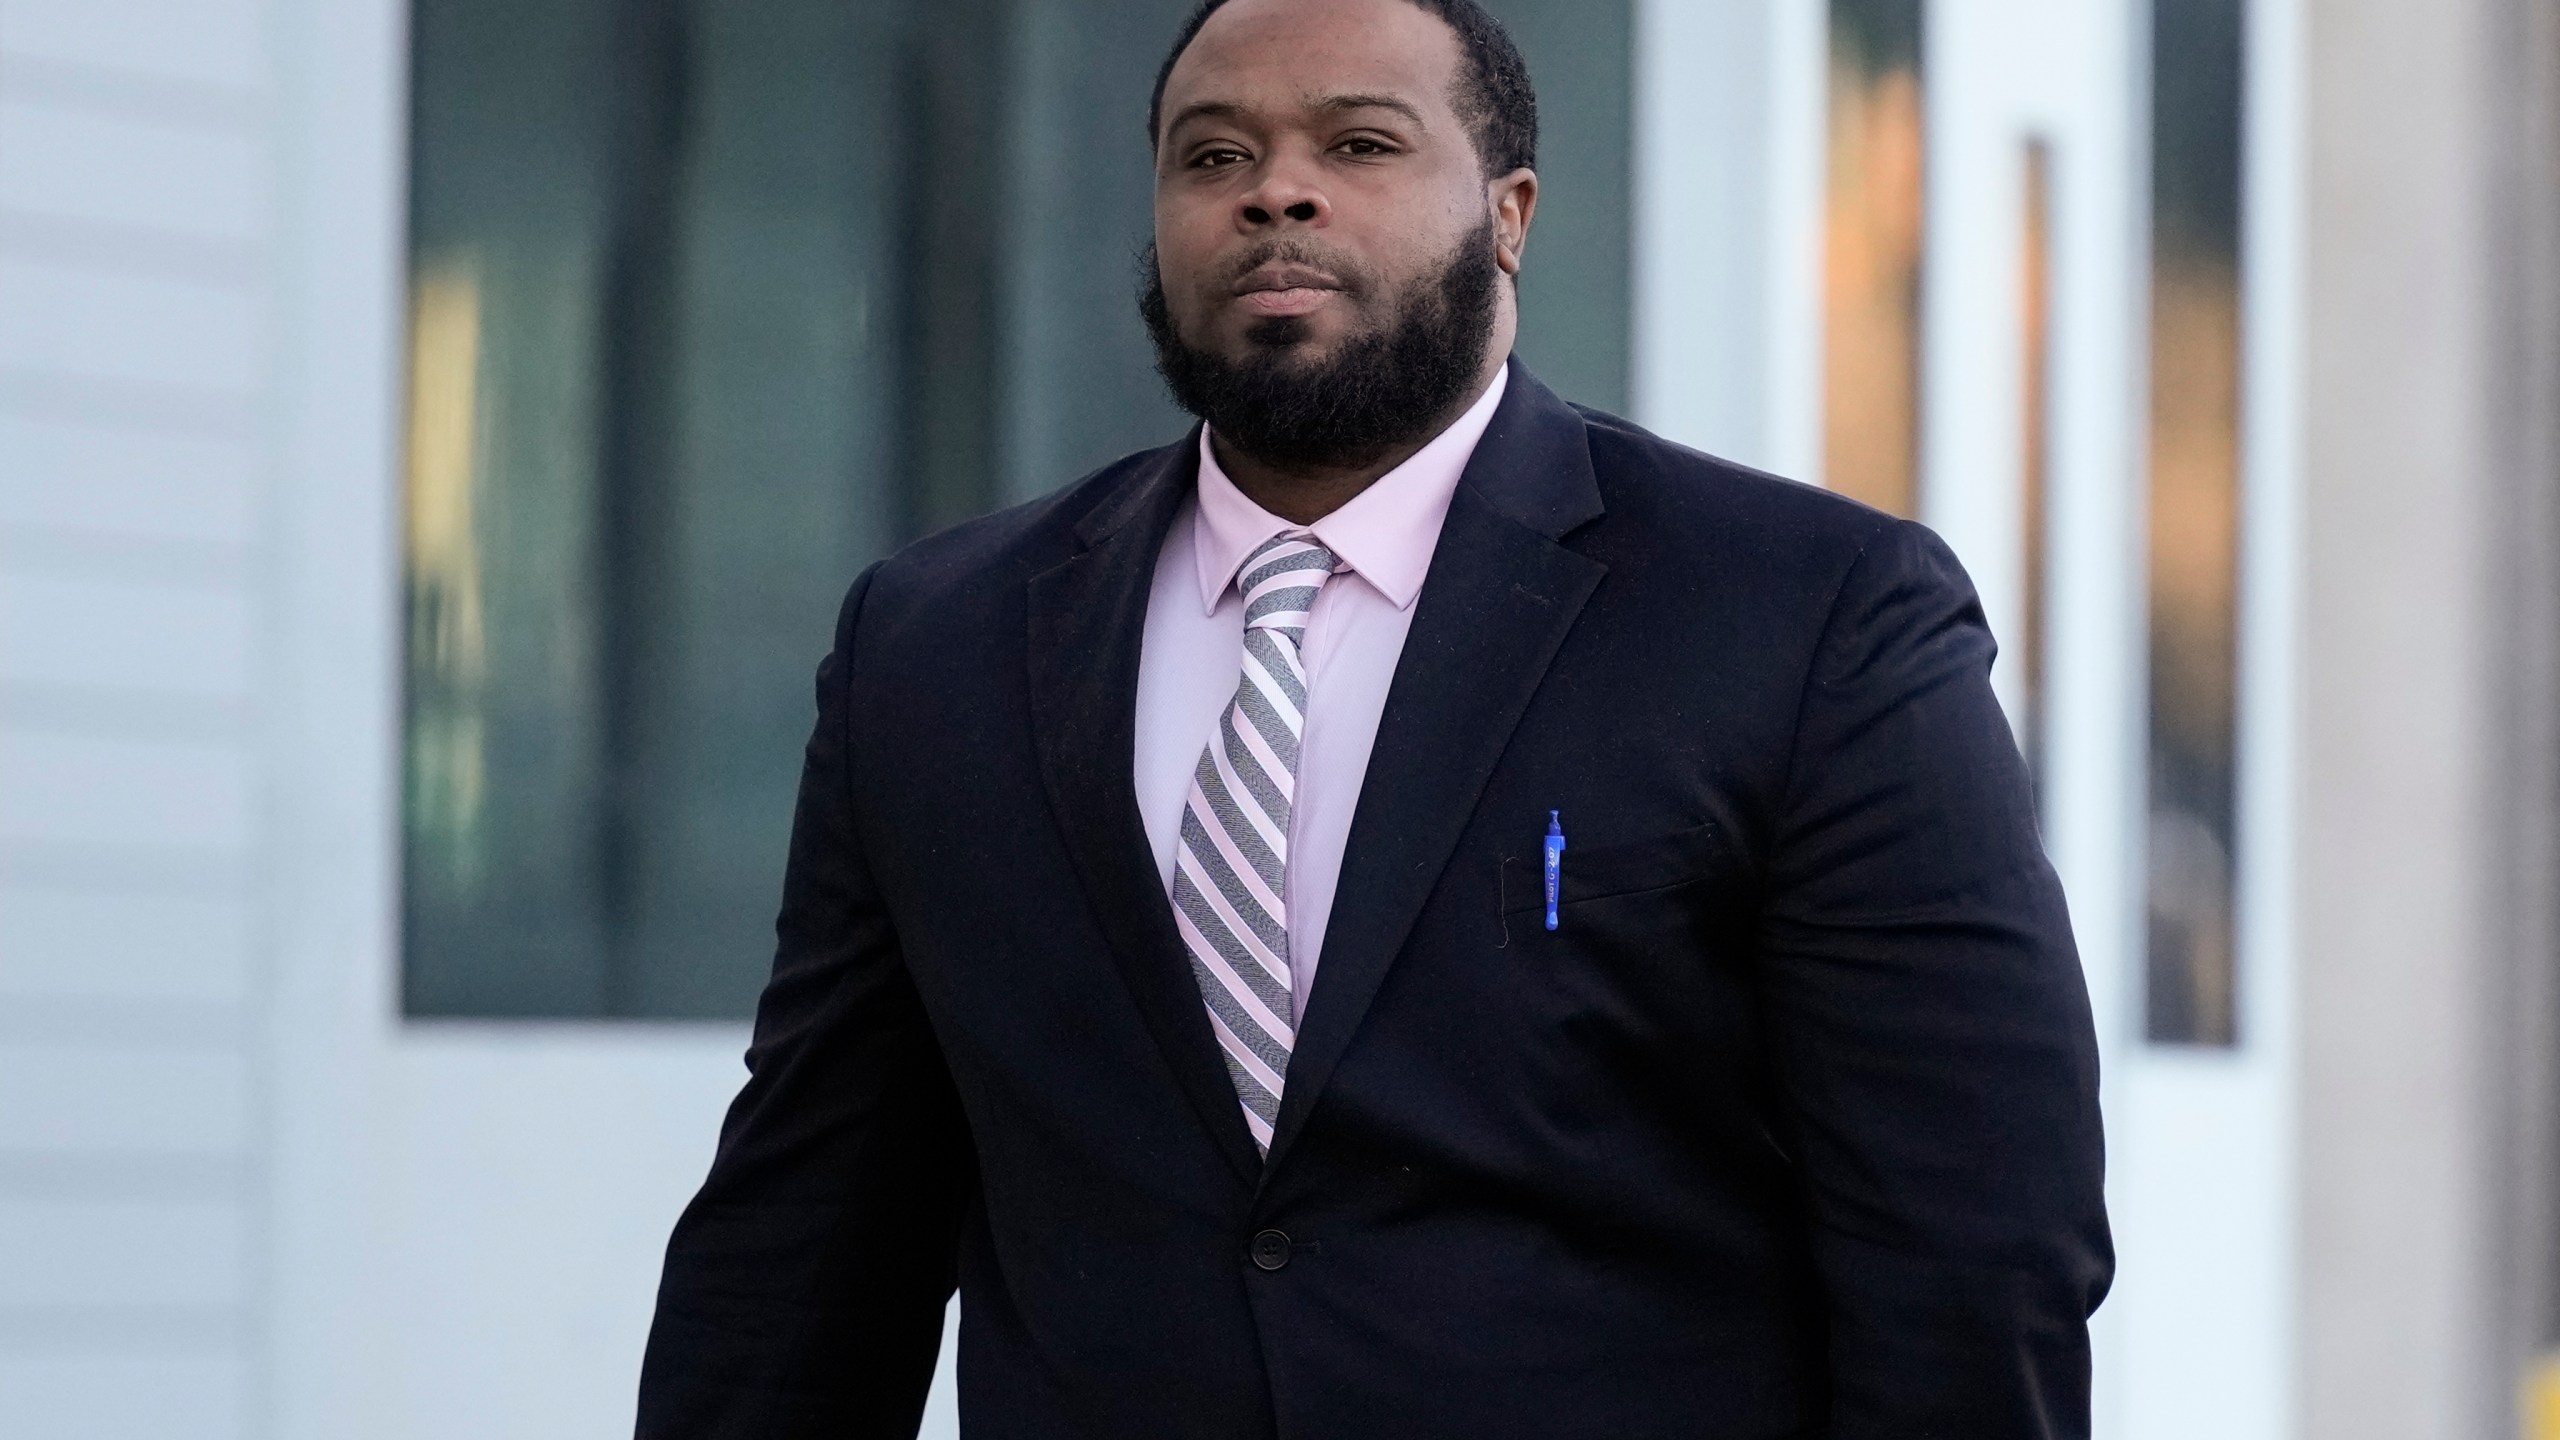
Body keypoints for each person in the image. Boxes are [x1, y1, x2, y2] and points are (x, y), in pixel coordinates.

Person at [635, 0, 2112, 1434]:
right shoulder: (933, 647)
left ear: (1510, 212)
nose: (1276, 191)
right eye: (1212, 156)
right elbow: (808, 1239)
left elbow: (1974, 1245)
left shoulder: (1806, 617)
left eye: (1359, 144)